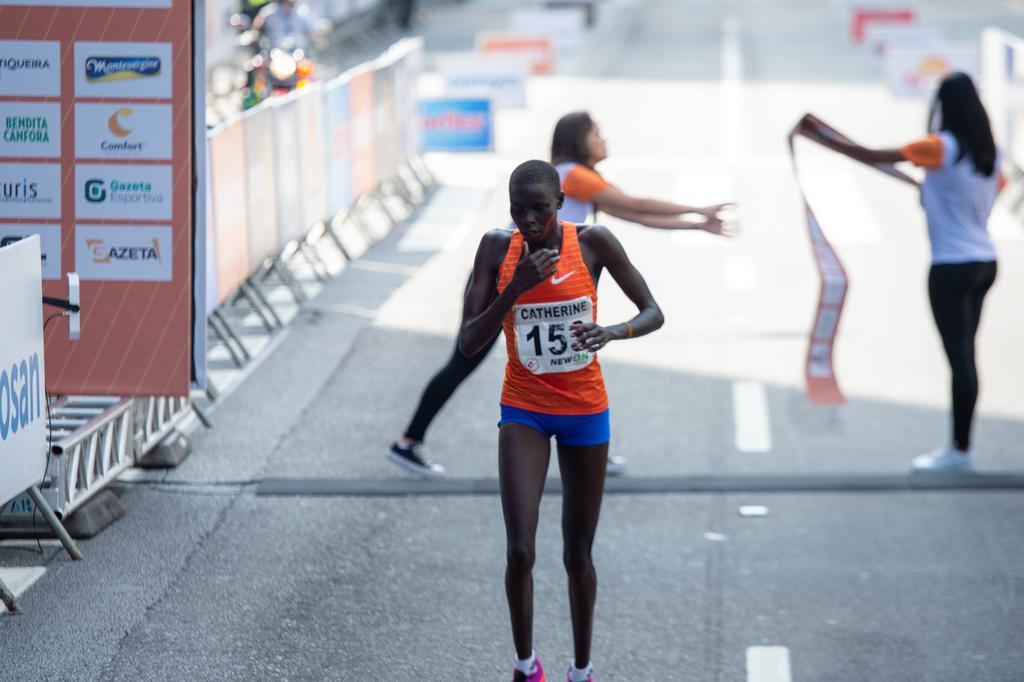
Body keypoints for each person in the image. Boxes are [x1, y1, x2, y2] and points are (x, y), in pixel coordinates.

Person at [387, 111, 733, 479]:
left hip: (553, 278)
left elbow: (634, 217)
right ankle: (408, 441)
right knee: (464, 359)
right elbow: (636, 205)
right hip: (512, 272)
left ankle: (587, 443)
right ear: (578, 141)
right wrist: (698, 210)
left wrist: (697, 224)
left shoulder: (579, 180)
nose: (604, 141)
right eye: (597, 134)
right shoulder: (572, 174)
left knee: (568, 354)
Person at [458, 159, 663, 682]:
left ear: (560, 206)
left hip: (584, 412)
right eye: (517, 210)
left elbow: (652, 311)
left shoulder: (593, 242)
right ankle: (526, 666)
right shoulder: (495, 249)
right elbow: (467, 342)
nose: (527, 221)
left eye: (539, 210)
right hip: (523, 409)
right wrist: (515, 287)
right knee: (520, 549)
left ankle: (582, 668)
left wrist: (613, 332)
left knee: (577, 555)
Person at [797, 72, 1003, 472]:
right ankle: (962, 447)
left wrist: (819, 135)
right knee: (967, 357)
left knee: (959, 359)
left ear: (944, 107)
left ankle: (959, 452)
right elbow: (984, 191)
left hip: (950, 267)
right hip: (985, 263)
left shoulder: (938, 146)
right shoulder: (991, 153)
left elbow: (873, 155)